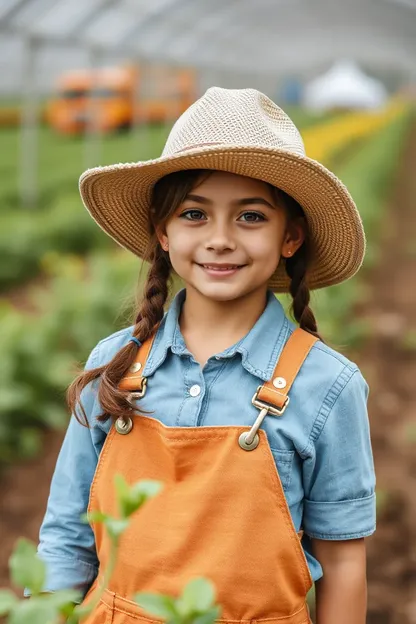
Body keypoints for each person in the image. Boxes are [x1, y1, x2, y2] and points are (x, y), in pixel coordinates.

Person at [34, 87, 376, 624]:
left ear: (291, 237)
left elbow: (344, 561)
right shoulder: (116, 364)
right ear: (162, 232)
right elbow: (66, 537)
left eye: (251, 217)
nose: (219, 239)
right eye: (194, 214)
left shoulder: (327, 384)